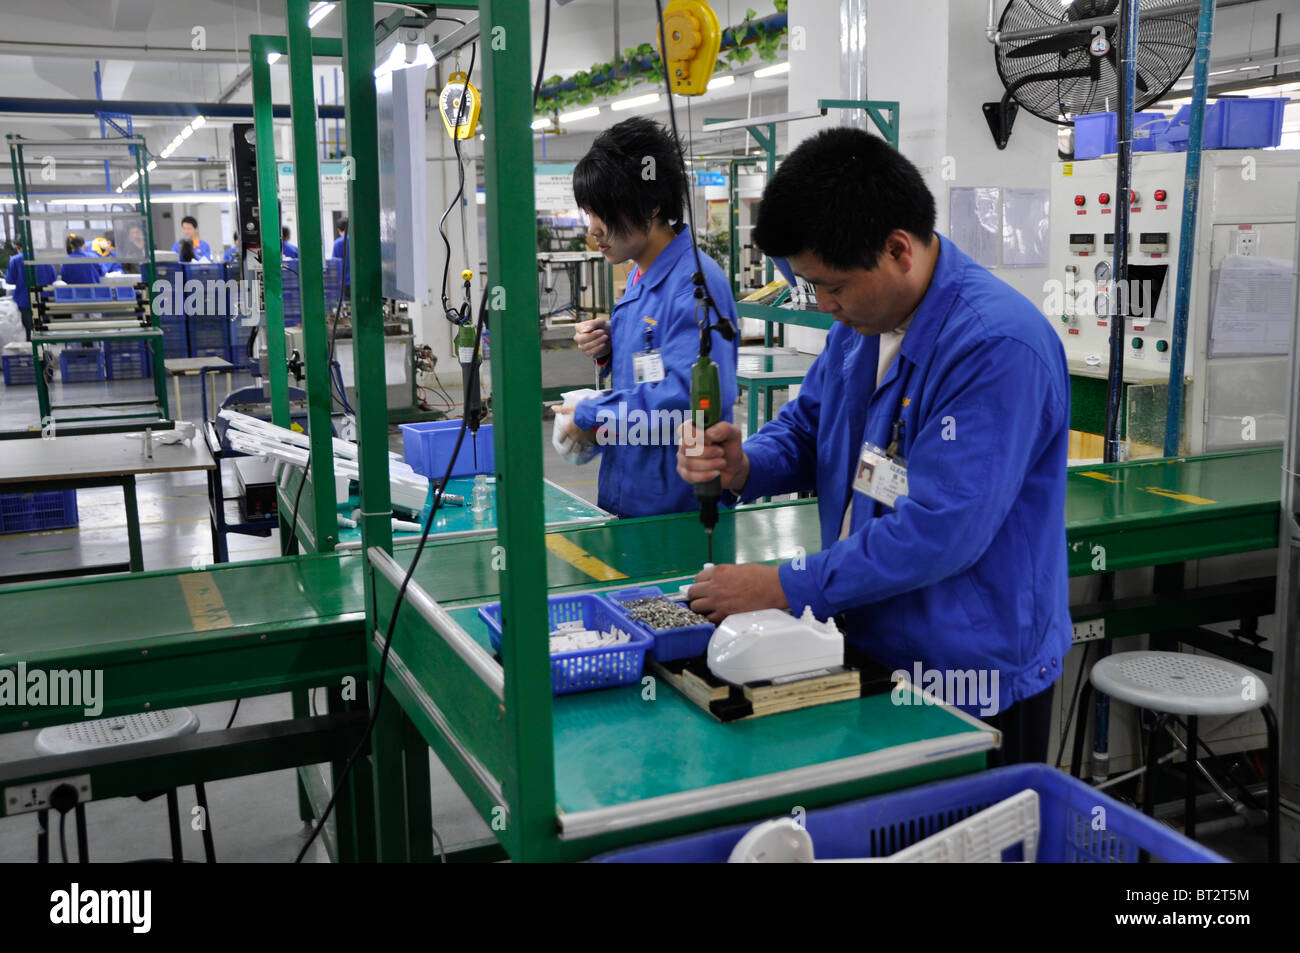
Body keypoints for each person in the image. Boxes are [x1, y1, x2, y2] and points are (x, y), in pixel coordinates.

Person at [677, 128, 1071, 765]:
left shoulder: (996, 347)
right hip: (865, 636)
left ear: (897, 249)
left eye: (832, 286)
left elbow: (942, 530)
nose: (824, 306)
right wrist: (744, 463)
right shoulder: (861, 325)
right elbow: (808, 426)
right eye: (810, 287)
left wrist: (785, 583)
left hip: (967, 673)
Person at [560, 116, 738, 518]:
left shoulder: (696, 284)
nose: (594, 230)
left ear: (652, 205)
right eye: (589, 213)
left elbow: (688, 403)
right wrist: (611, 345)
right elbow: (651, 365)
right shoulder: (643, 274)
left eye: (602, 212)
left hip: (678, 511)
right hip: (631, 496)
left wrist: (591, 413)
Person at [4, 238, 57, 341]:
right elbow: (53, 277)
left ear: (18, 248)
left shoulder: (15, 260)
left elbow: (10, 281)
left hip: (25, 301)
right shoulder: (44, 259)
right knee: (43, 329)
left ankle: (33, 353)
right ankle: (45, 352)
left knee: (29, 331)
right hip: (43, 300)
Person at [330, 218, 349, 287]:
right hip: (360, 283)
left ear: (339, 230)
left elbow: (334, 265)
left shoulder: (338, 243)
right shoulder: (359, 240)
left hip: (345, 283)